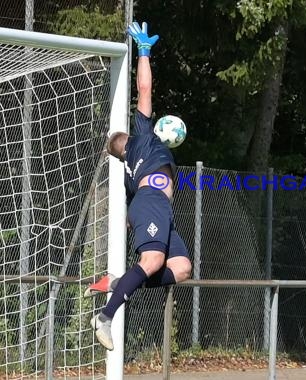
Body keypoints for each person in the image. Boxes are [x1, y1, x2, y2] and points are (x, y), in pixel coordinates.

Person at [84, 21, 192, 351]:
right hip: (153, 201)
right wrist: (144, 52)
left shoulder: (131, 165)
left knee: (182, 268)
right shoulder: (142, 139)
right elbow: (144, 90)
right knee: (152, 262)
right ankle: (105, 316)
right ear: (127, 141)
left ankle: (119, 283)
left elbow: (133, 215)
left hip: (157, 206)